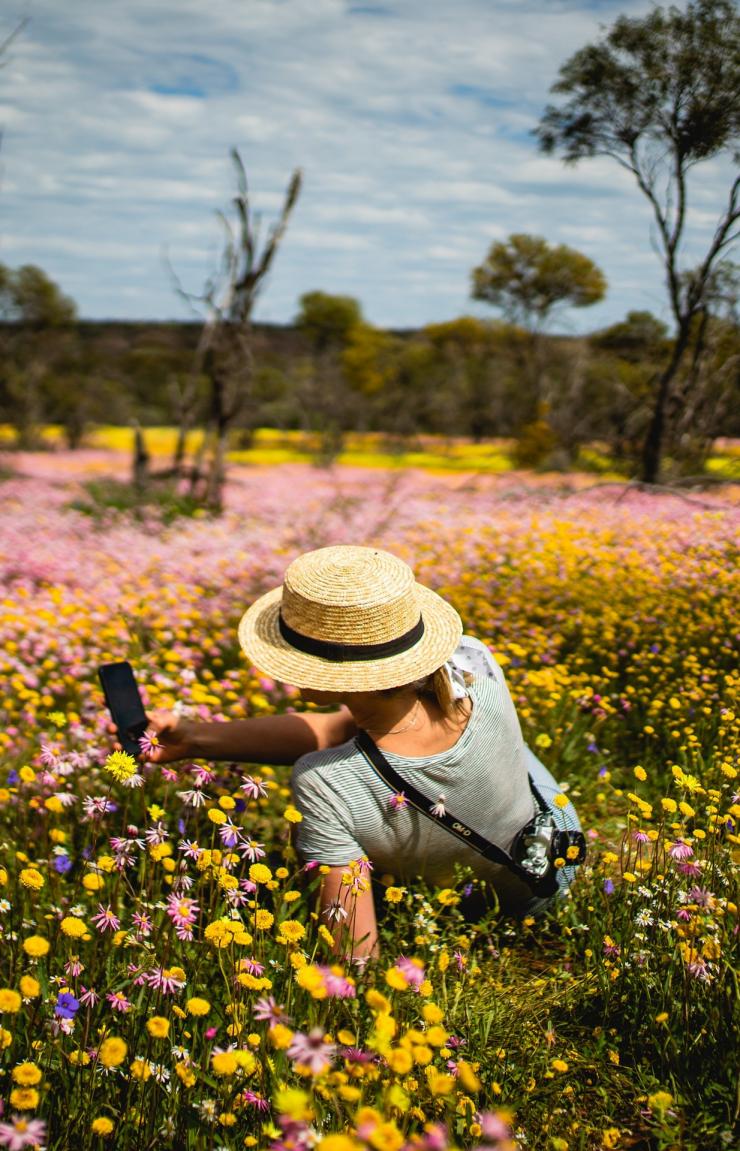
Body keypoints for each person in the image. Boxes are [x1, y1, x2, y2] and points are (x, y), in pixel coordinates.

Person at [142, 545, 581, 959]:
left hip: (494, 911)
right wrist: (196, 739)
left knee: (350, 776)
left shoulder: (324, 782)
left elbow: (355, 949)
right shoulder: (472, 663)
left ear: (330, 674)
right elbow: (341, 729)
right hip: (559, 843)